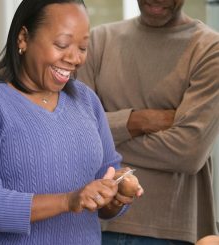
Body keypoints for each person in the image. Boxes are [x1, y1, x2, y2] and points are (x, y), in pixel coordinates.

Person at [0, 0, 143, 244]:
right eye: (62, 44)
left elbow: (103, 188)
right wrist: (67, 201)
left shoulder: (86, 100)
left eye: (82, 47)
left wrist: (117, 194)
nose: (74, 58)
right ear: (23, 38)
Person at [77, 0, 219, 244]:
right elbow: (75, 134)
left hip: (170, 229)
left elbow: (188, 152)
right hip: (94, 221)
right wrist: (137, 121)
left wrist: (101, 133)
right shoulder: (98, 41)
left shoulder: (209, 49)